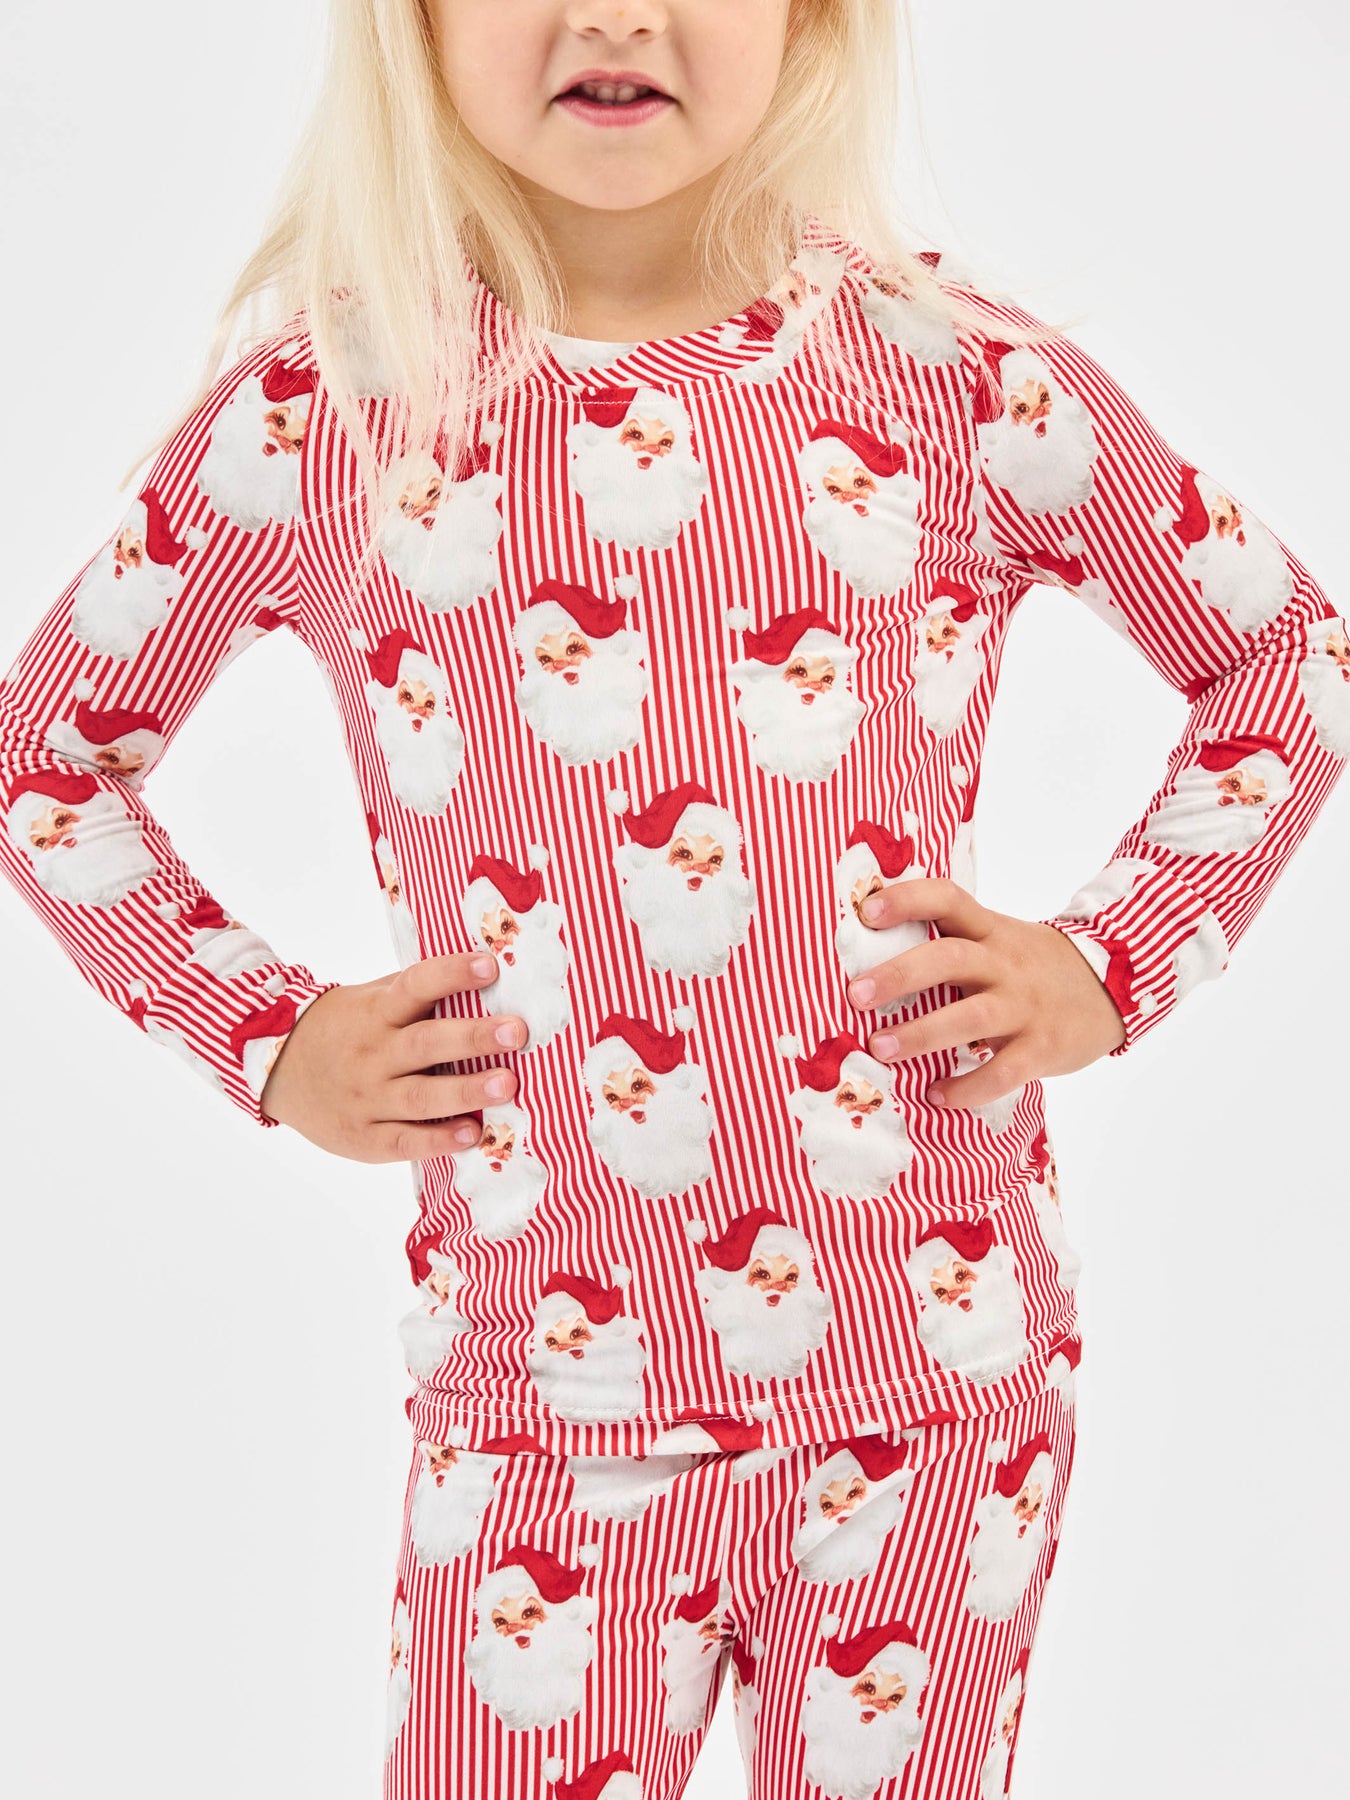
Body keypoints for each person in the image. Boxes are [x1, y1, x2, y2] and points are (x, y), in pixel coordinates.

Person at [2, 4, 1346, 1796]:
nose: (615, 15)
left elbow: (1282, 660)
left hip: (935, 1396)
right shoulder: (327, 407)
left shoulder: (950, 373)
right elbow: (48, 759)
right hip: (538, 1404)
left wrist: (1107, 965)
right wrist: (268, 1037)